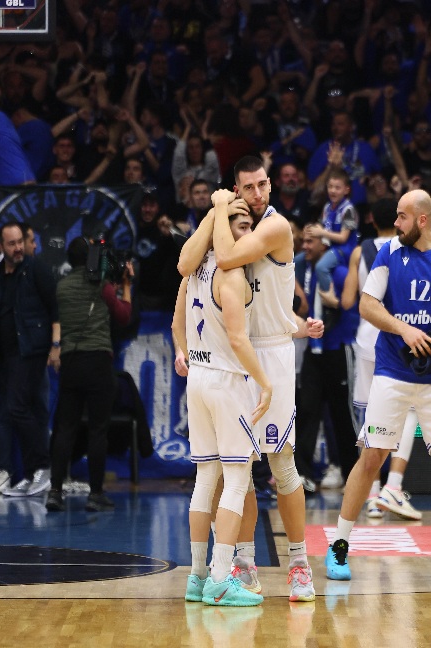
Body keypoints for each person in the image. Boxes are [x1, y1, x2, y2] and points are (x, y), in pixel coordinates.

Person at [178, 155, 320, 602]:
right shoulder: (230, 221)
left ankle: (299, 564)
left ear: (270, 185)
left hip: (269, 357)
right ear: (236, 190)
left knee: (281, 465)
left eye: (263, 185)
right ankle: (242, 562)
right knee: (236, 469)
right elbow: (188, 268)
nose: (257, 194)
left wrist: (218, 209)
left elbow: (226, 257)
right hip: (234, 355)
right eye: (249, 187)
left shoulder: (276, 226)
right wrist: (216, 213)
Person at [325, 189, 431, 583]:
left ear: (423, 219)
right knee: (372, 456)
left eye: (402, 216)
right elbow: (367, 305)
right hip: (393, 372)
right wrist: (404, 329)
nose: (395, 224)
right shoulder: (389, 253)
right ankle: (339, 545)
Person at [173, 204, 270, 607]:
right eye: (242, 226)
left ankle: (197, 577)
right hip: (228, 381)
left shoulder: (194, 269)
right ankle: (220, 580)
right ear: (223, 230)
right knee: (236, 480)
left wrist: (184, 352)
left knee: (205, 480)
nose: (250, 233)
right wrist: (265, 383)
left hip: (197, 379)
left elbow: (176, 323)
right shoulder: (230, 274)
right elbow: (237, 338)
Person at [340, 198, 422, 521]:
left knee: (368, 414)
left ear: (372, 219)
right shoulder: (410, 249)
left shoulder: (360, 251)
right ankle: (394, 486)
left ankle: (373, 495)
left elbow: (348, 300)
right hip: (400, 336)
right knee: (409, 410)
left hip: (367, 339)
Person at [45, 238, 133, 514]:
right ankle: (95, 494)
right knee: (97, 430)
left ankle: (55, 491)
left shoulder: (62, 287)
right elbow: (123, 315)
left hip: (71, 362)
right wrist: (126, 286)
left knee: (65, 428)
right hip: (98, 363)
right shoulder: (102, 286)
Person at [0, 221, 59, 498]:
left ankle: (43, 467)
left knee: (17, 407)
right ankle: (32, 473)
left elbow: (55, 308)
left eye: (20, 241)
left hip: (31, 349)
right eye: (12, 244)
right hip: (4, 354)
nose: (18, 247)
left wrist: (55, 345)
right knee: (16, 410)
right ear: (1, 247)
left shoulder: (37, 269)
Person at [293, 226, 358, 488]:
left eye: (311, 242)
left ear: (324, 245)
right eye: (304, 241)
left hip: (337, 350)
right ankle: (303, 474)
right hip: (314, 351)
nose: (305, 246)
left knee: (342, 414)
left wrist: (336, 307)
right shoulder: (306, 271)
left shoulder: (340, 274)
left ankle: (351, 474)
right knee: (307, 410)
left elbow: (352, 310)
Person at [305, 168, 358, 334]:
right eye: (330, 187)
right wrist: (313, 229)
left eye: (337, 187)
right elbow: (323, 228)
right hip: (331, 248)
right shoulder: (327, 207)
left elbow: (343, 237)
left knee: (321, 266)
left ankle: (331, 305)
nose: (333, 191)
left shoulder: (348, 209)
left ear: (346, 190)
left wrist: (321, 232)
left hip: (345, 250)